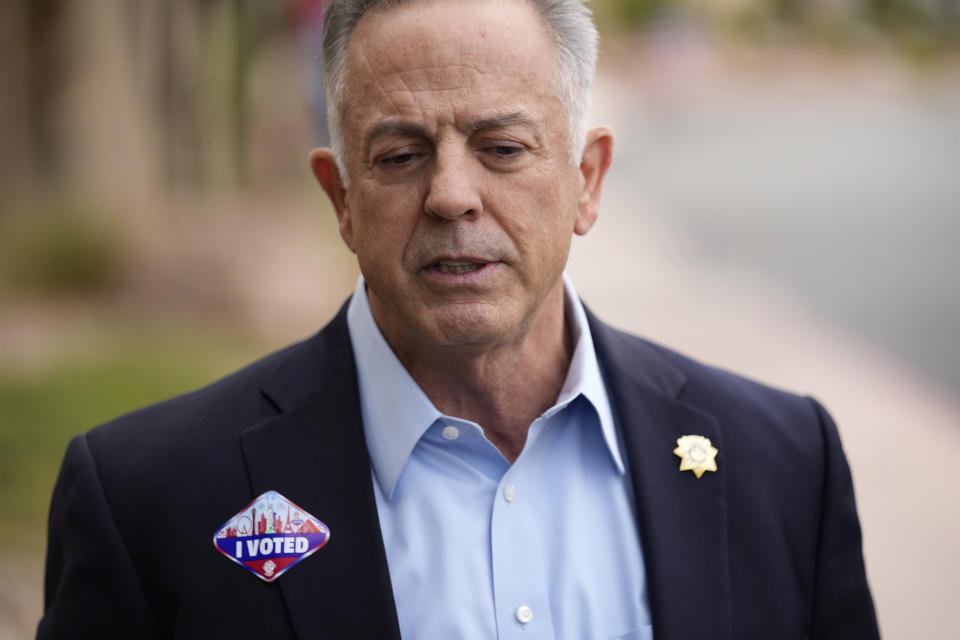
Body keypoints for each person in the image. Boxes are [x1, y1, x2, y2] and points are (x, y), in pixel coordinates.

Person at [37, 0, 880, 638]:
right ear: (341, 199)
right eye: (400, 156)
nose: (450, 195)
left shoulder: (785, 466)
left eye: (502, 148)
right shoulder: (146, 501)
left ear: (587, 179)